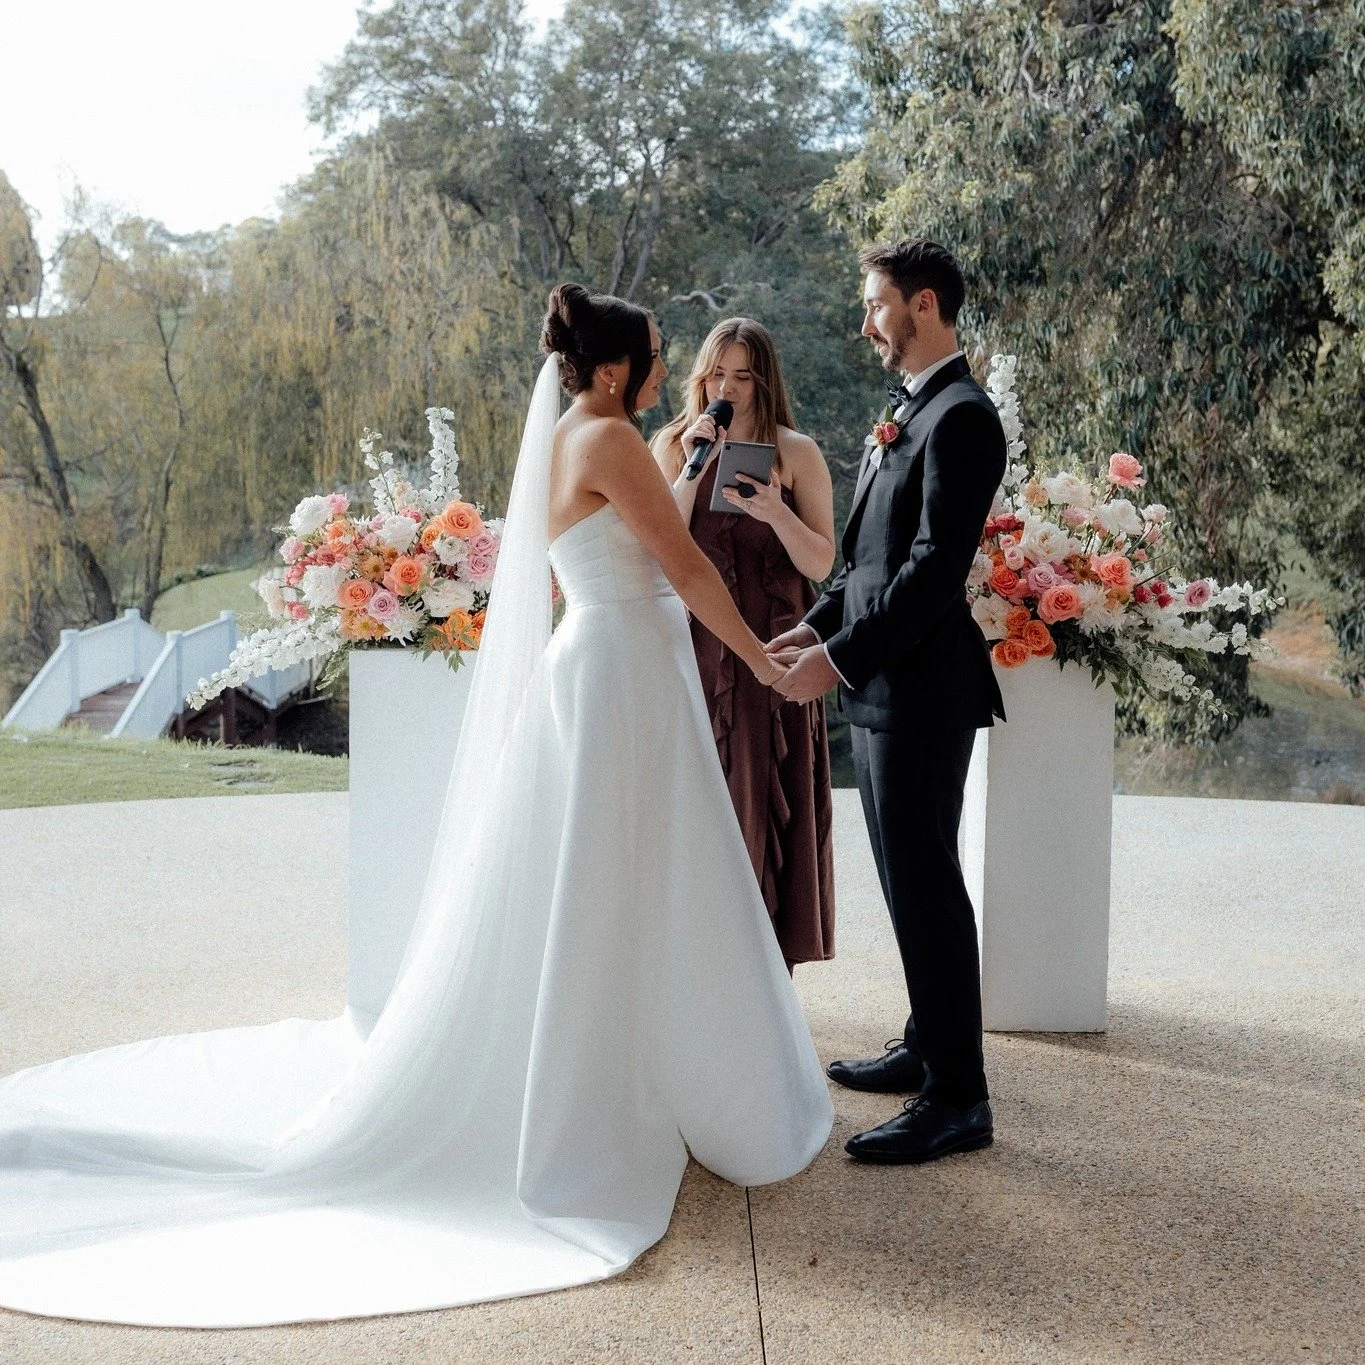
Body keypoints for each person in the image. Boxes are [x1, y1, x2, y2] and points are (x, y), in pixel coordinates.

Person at [0, 283, 832, 1327]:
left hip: (618, 667)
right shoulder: (611, 440)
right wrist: (760, 661)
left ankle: (640, 1064)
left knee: (619, 876)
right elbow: (688, 567)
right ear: (616, 371)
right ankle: (632, 1085)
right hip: (625, 677)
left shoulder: (583, 434)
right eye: (658, 358)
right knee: (631, 875)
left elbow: (599, 571)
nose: (674, 375)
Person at [769, 239, 1006, 1166]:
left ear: (925, 304)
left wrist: (838, 658)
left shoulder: (962, 418)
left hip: (922, 690)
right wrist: (814, 627)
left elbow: (932, 574)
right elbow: (869, 558)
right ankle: (925, 1043)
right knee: (908, 884)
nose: (865, 321)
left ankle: (959, 1098)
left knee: (929, 889)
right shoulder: (907, 412)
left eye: (876, 304)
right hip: (880, 684)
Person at [652, 319, 836, 972]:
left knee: (764, 799)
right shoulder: (674, 444)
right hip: (696, 653)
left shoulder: (796, 451)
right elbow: (657, 548)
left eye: (739, 375)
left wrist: (775, 512)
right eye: (714, 374)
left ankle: (760, 982)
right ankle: (692, 969)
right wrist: (689, 465)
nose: (724, 387)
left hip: (775, 650)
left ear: (763, 382)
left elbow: (819, 562)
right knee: (699, 807)